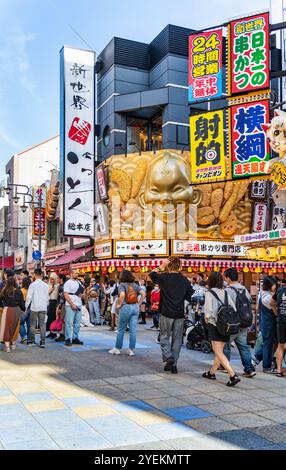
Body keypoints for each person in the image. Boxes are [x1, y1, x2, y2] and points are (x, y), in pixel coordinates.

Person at [149, 257, 194, 374]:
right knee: (177, 339)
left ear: (169, 266)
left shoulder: (164, 278)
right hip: (179, 313)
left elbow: (151, 275)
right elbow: (190, 296)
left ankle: (168, 357)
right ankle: (174, 365)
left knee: (164, 336)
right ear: (179, 266)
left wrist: (161, 266)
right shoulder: (185, 281)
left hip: (166, 312)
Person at [203, 271, 240, 387]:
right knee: (219, 352)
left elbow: (208, 311)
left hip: (215, 325)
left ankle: (232, 375)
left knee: (218, 351)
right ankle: (212, 373)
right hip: (226, 326)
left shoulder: (209, 293)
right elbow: (233, 308)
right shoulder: (225, 293)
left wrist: (207, 318)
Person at [223, 268, 256, 378]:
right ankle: (249, 369)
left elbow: (227, 307)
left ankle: (224, 366)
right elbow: (250, 303)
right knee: (243, 346)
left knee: (226, 344)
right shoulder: (244, 289)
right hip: (244, 322)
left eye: (225, 277)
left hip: (233, 323)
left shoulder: (228, 291)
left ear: (228, 278)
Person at [109, 270, 145, 356]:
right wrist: (139, 303)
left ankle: (117, 349)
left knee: (121, 329)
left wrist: (119, 304)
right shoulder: (135, 285)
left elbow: (122, 295)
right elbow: (143, 293)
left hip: (125, 307)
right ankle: (131, 350)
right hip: (135, 307)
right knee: (133, 330)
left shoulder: (122, 285)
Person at [253, 277, 277, 372]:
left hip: (264, 321)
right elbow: (275, 312)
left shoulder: (261, 294)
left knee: (267, 343)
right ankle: (266, 366)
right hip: (269, 323)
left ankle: (256, 359)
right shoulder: (268, 298)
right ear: (270, 285)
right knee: (268, 344)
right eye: (274, 284)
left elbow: (257, 308)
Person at [25, 268, 49, 348]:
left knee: (32, 325)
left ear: (35, 275)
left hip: (34, 307)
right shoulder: (46, 285)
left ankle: (32, 341)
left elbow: (29, 297)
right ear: (41, 275)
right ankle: (43, 342)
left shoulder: (32, 285)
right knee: (42, 325)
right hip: (43, 307)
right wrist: (46, 305)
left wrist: (26, 306)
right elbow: (47, 297)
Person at [0, 277, 25, 352]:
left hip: (7, 309)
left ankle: (7, 347)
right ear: (15, 282)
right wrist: (23, 309)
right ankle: (13, 345)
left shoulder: (4, 291)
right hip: (17, 309)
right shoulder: (18, 291)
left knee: (6, 327)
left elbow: (0, 301)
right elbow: (21, 303)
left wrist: (3, 306)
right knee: (15, 327)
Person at [64, 269, 85, 347]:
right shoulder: (67, 283)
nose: (77, 274)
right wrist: (72, 304)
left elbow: (80, 292)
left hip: (79, 304)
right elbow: (66, 295)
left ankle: (75, 338)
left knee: (77, 323)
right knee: (69, 323)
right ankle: (67, 339)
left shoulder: (78, 282)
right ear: (71, 274)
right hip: (70, 305)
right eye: (76, 273)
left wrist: (82, 295)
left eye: (77, 273)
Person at [271, 278, 286, 377]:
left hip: (281, 321)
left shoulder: (280, 290)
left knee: (280, 346)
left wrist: (277, 313)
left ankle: (279, 370)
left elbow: (272, 303)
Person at [46, 273, 59, 338]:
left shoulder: (57, 286)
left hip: (55, 302)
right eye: (50, 279)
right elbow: (46, 294)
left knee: (54, 318)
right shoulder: (48, 285)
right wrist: (51, 290)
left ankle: (54, 333)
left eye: (53, 279)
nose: (51, 281)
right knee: (49, 318)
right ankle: (51, 332)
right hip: (49, 302)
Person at [54, 273, 66, 342]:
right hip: (60, 305)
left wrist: (60, 307)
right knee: (60, 320)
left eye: (58, 278)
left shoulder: (63, 287)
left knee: (62, 320)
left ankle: (62, 335)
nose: (57, 279)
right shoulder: (60, 286)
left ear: (61, 279)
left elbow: (62, 298)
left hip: (62, 305)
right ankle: (61, 335)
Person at [19, 276, 31, 344]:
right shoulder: (31, 290)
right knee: (29, 324)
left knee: (21, 323)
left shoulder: (21, 290)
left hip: (23, 308)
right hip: (31, 307)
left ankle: (24, 337)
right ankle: (29, 338)